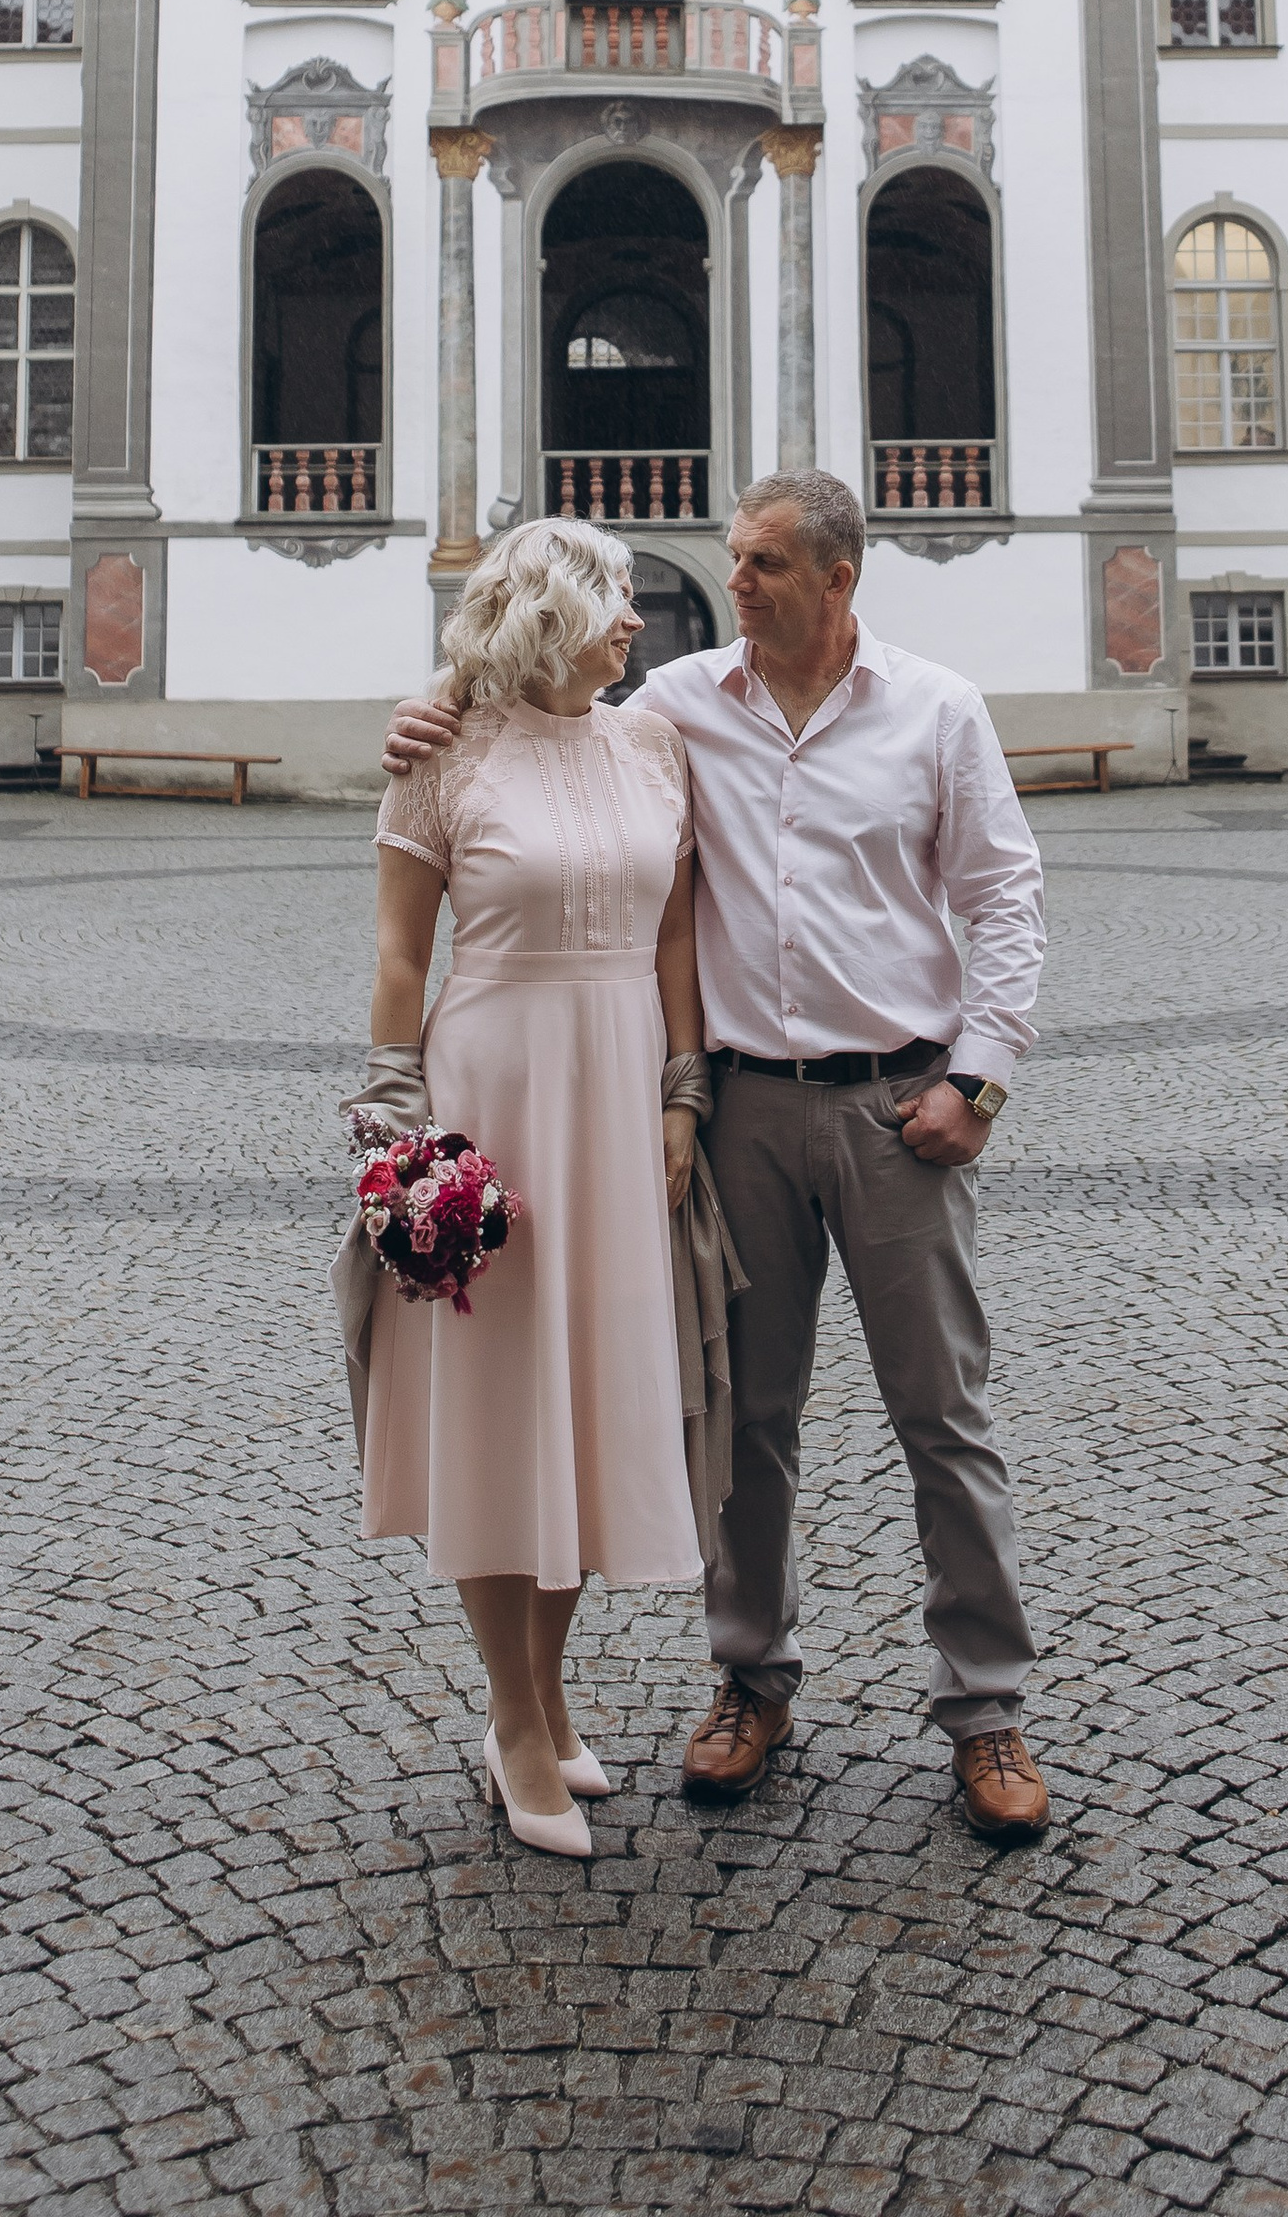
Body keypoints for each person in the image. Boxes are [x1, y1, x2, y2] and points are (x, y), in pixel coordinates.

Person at [387, 467, 1053, 1844]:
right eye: (734, 562)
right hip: (741, 1109)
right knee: (742, 1421)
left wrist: (981, 1079)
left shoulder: (938, 709)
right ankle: (750, 1681)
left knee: (944, 1418)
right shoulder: (677, 708)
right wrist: (435, 707)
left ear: (838, 577)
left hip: (899, 1107)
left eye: (759, 564)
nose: (729, 585)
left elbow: (1003, 894)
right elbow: (533, 718)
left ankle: (987, 1712)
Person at [344, 517, 715, 1862]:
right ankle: (512, 1719)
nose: (636, 619)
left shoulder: (651, 739)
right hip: (490, 1085)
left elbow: (677, 930)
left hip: (619, 1089)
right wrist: (395, 1127)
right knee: (502, 1411)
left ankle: (551, 1694)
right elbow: (399, 954)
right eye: (616, 599)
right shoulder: (442, 755)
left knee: (592, 1400)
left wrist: (684, 1090)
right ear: (550, 617)